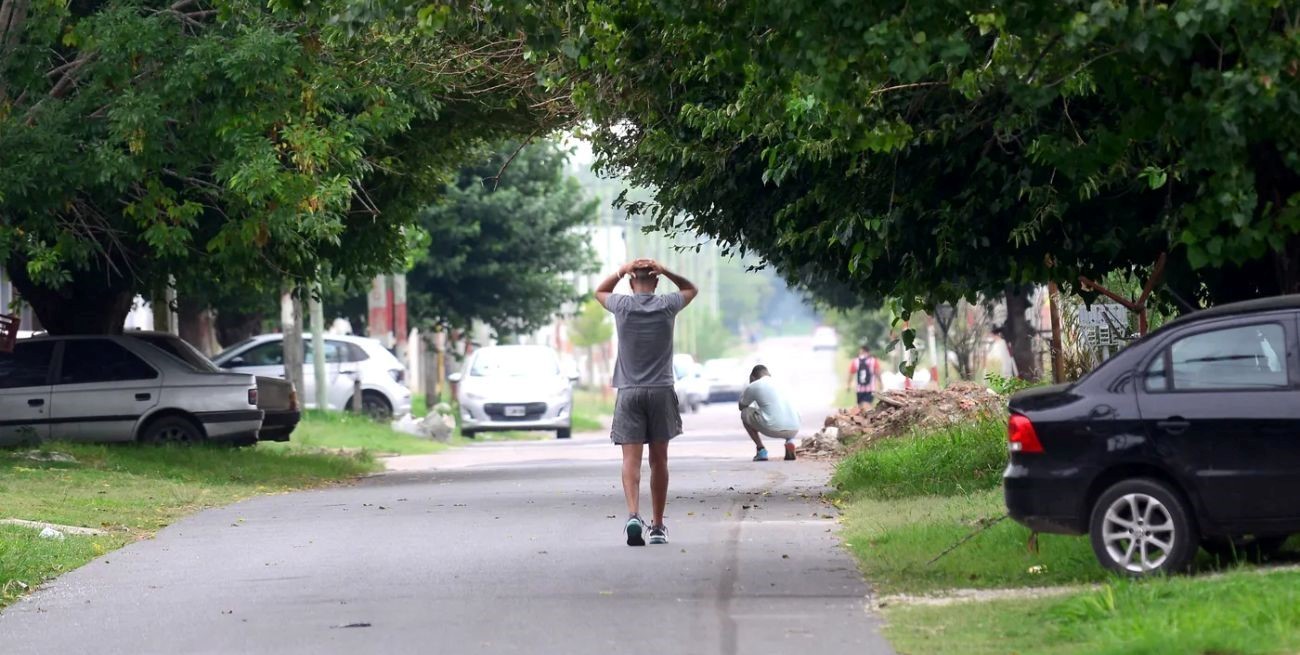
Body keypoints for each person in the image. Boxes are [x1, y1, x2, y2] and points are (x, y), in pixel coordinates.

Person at [595, 258, 698, 546]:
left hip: (629, 391)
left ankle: (632, 515)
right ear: (655, 282)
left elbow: (599, 292)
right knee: (659, 460)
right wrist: (667, 270)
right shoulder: (667, 304)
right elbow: (691, 289)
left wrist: (620, 270)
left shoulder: (622, 306)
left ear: (630, 282)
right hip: (661, 391)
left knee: (631, 459)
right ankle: (658, 526)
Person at [739, 365, 801, 461]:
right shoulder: (783, 383)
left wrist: (748, 392)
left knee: (745, 413)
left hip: (773, 428)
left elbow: (741, 406)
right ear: (769, 374)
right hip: (795, 428)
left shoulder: (754, 385)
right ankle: (790, 441)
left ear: (752, 377)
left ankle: (761, 450)